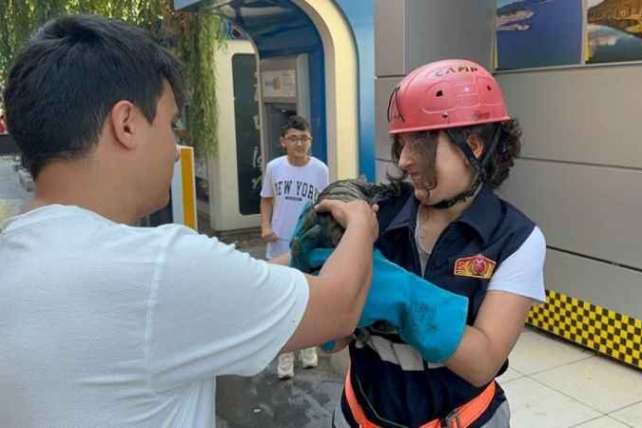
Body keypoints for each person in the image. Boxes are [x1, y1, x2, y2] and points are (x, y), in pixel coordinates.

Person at [0, 14, 376, 427]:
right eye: (171, 124)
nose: (175, 148)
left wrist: (297, 256)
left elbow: (230, 285)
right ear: (125, 124)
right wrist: (360, 220)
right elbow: (339, 309)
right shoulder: (157, 269)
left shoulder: (17, 256)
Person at [330, 59, 547, 427]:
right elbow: (334, 340)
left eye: (421, 143)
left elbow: (483, 361)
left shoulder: (516, 238)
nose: (404, 159)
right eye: (401, 142)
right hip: (360, 416)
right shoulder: (374, 215)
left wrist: (392, 289)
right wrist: (318, 284)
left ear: (473, 145)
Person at [260, 115, 329, 379]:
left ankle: (308, 348)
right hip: (279, 245)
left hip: (308, 244)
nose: (300, 144)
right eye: (294, 138)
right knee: (280, 302)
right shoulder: (274, 168)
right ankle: (285, 356)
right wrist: (265, 226)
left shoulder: (320, 170)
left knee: (306, 300)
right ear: (283, 142)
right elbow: (266, 200)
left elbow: (324, 206)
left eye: (304, 139)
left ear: (310, 142)